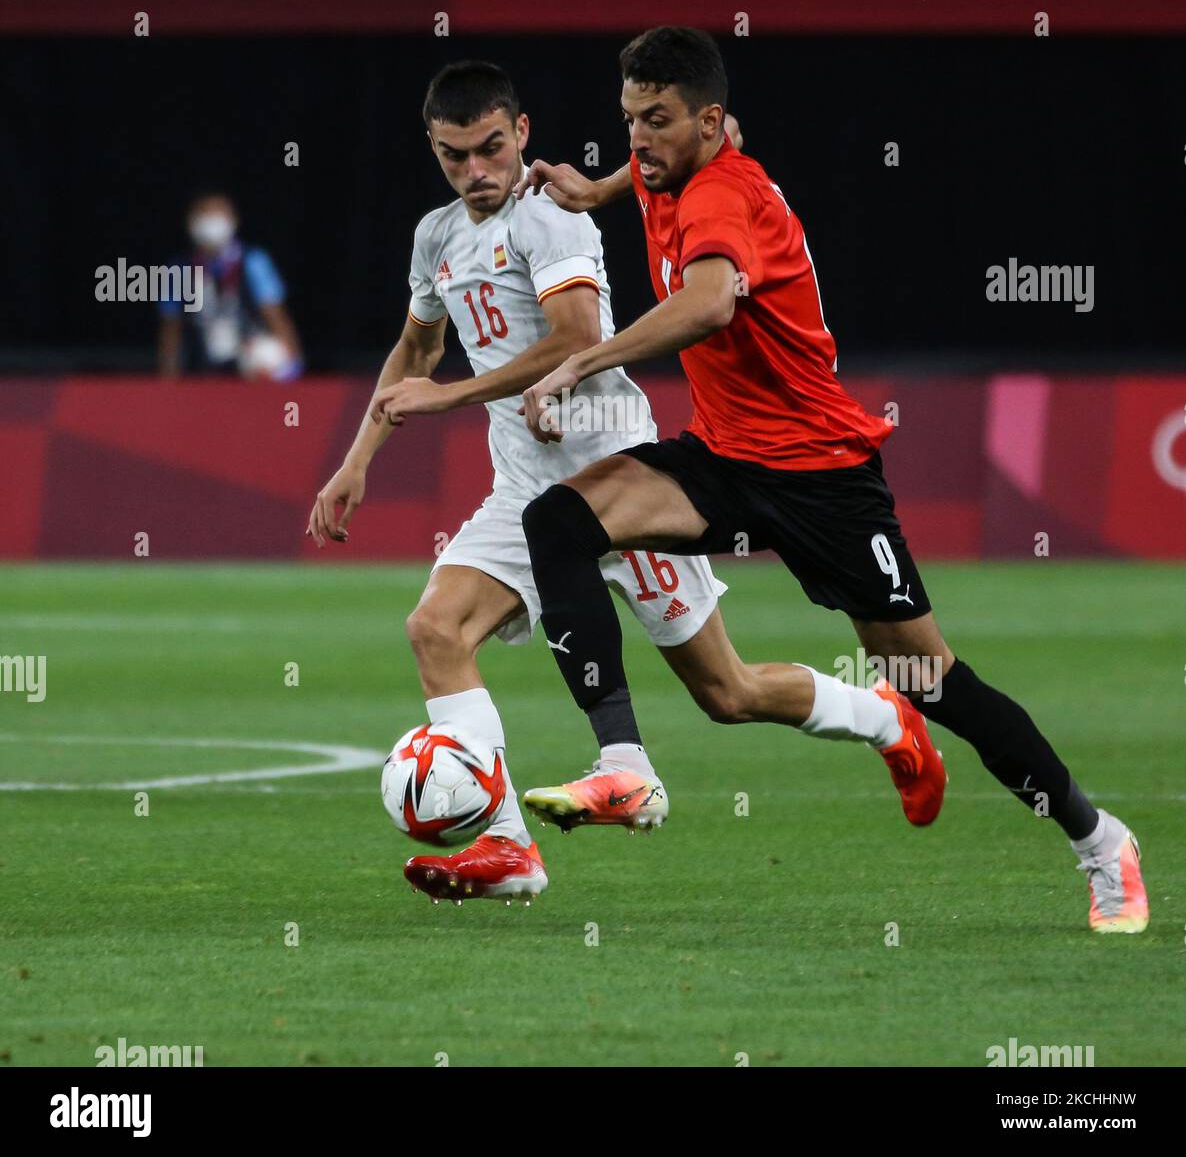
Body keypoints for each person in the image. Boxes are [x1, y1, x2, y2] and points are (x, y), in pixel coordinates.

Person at [514, 26, 1147, 935]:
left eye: (656, 123)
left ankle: (1102, 843)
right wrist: (601, 186)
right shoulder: (674, 158)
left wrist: (580, 365)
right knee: (559, 522)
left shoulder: (725, 192)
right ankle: (624, 761)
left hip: (822, 478)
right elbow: (650, 168)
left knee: (932, 678)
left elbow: (709, 302)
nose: (639, 139)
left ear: (711, 121)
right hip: (727, 460)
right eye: (628, 121)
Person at [311, 60, 942, 904]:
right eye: (455, 156)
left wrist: (450, 398)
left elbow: (567, 338)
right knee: (434, 630)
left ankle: (884, 718)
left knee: (728, 691)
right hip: (524, 490)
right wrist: (357, 460)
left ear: (522, 134)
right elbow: (416, 352)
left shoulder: (550, 221)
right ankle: (508, 849)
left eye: (492, 149)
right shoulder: (437, 238)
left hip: (622, 479)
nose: (477, 172)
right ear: (433, 148)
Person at [158, 191, 302, 379]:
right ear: (190, 223)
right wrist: (168, 380)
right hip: (200, 366)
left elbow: (275, 315)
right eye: (204, 215)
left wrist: (294, 363)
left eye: (217, 214)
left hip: (247, 360)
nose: (211, 222)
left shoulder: (253, 261)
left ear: (233, 219)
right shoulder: (178, 268)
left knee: (268, 354)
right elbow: (171, 327)